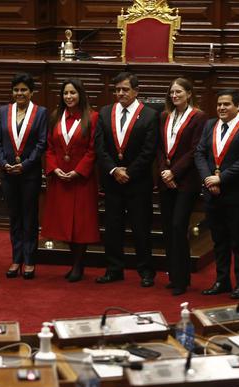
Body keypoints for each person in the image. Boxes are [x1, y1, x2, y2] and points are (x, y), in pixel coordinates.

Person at [94, 72, 158, 286]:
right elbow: (100, 148)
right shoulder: (105, 113)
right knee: (113, 228)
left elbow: (149, 151)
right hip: (112, 181)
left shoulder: (149, 115)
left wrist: (128, 172)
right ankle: (114, 269)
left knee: (141, 228)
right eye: (117, 90)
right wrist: (114, 170)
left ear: (136, 91)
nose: (120, 93)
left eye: (125, 89)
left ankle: (146, 272)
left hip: (138, 182)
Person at [195, 89, 239, 299]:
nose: (221, 108)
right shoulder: (211, 124)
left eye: (227, 104)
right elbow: (200, 153)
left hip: (237, 195)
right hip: (212, 193)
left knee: (238, 241)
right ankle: (222, 280)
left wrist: (221, 178)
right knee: (218, 241)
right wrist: (208, 178)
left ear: (237, 106)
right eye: (219, 104)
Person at [41, 78, 99, 282]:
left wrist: (78, 171)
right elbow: (49, 147)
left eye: (73, 93)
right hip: (60, 178)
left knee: (80, 225)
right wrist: (54, 168)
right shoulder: (56, 116)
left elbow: (93, 150)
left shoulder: (92, 117)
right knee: (65, 223)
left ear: (80, 95)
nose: (69, 97)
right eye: (65, 93)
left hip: (81, 179)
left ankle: (78, 265)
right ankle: (74, 263)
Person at [0, 72, 48, 280]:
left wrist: (24, 164)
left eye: (24, 90)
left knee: (30, 217)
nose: (19, 93)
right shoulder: (3, 111)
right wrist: (4, 163)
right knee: (14, 216)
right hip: (8, 173)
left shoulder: (40, 112)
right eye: (16, 90)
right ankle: (16, 258)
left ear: (31, 92)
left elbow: (42, 143)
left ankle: (30, 259)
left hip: (29, 173)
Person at [157, 77, 207, 296]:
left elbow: (195, 150)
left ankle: (182, 278)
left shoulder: (198, 117)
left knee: (179, 226)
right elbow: (159, 148)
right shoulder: (164, 116)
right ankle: (174, 274)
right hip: (165, 179)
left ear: (189, 93)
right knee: (168, 228)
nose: (174, 96)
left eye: (178, 92)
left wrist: (174, 172)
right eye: (171, 92)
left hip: (186, 181)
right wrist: (164, 172)